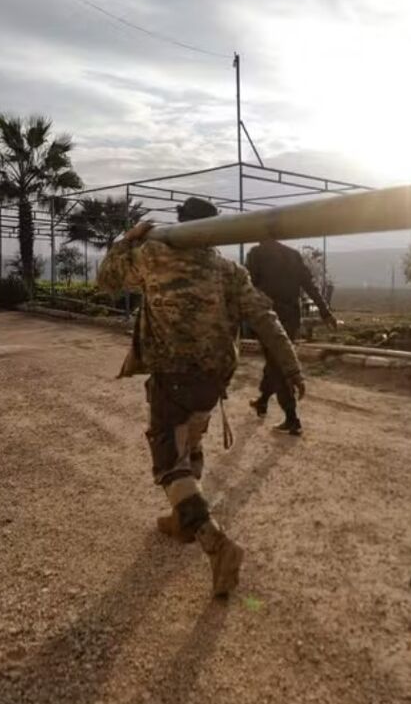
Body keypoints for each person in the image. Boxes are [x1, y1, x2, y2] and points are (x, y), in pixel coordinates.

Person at [97, 197, 305, 598]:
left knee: (168, 462)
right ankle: (180, 519)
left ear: (181, 223)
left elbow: (105, 280)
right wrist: (291, 365)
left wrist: (128, 240)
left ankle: (216, 544)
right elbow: (265, 316)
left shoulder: (152, 255)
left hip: (174, 376)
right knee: (190, 444)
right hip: (213, 379)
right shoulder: (228, 270)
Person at [245, 239, 338, 435]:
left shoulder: (256, 254)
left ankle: (291, 417)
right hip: (291, 318)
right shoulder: (292, 255)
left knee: (277, 364)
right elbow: (309, 285)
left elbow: (247, 287)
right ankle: (262, 401)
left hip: (267, 318)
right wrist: (325, 311)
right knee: (276, 360)